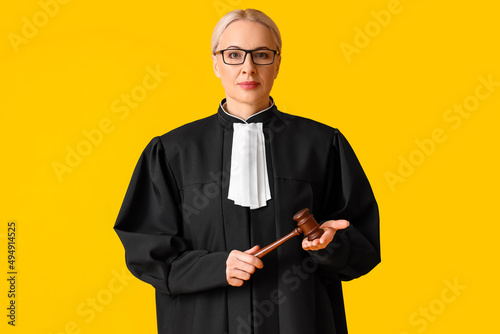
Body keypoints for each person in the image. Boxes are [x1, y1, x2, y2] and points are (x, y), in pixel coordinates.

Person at [113, 8, 380, 334]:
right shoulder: (173, 151)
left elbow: (362, 243)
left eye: (262, 55)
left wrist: (330, 246)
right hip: (203, 322)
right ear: (215, 63)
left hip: (300, 320)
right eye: (234, 55)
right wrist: (212, 267)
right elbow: (147, 250)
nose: (248, 67)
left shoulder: (322, 145)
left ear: (278, 63)